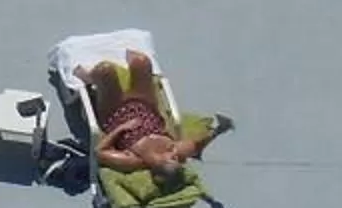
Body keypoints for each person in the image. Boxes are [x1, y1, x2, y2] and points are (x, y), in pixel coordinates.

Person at [75, 49, 231, 188]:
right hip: (146, 105)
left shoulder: (133, 160)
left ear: (158, 166)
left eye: (172, 160)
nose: (175, 156)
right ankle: (123, 49)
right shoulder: (174, 149)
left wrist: (121, 129)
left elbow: (99, 152)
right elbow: (197, 145)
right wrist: (218, 130)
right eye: (177, 160)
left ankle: (88, 78)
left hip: (114, 113)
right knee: (142, 61)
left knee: (105, 71)